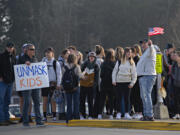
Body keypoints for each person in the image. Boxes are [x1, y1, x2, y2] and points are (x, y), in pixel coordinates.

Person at [18, 43, 44, 127]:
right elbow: (17, 69)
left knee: (37, 102)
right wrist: (24, 64)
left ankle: (39, 121)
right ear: (26, 50)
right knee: (27, 102)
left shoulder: (35, 59)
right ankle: (25, 121)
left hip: (35, 84)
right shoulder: (21, 59)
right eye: (31, 49)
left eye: (34, 49)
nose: (33, 51)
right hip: (26, 85)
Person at [112, 47, 137, 120]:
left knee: (127, 99)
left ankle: (127, 113)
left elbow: (134, 74)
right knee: (118, 98)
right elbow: (114, 71)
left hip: (127, 83)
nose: (129, 53)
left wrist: (132, 83)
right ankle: (118, 113)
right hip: (119, 82)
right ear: (125, 53)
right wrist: (113, 80)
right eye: (128, 52)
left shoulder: (132, 63)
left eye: (130, 52)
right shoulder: (119, 61)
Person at [136, 39, 157, 121]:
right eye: (142, 44)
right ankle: (146, 114)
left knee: (146, 95)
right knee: (143, 96)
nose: (143, 45)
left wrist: (151, 45)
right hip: (143, 76)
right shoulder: (145, 53)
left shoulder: (151, 50)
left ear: (148, 44)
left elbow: (152, 50)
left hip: (148, 76)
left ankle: (150, 115)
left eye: (144, 43)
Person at [62, 54, 84, 122]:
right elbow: (80, 76)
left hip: (67, 88)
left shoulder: (64, 67)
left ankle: (68, 118)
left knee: (68, 103)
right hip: (76, 87)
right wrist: (84, 75)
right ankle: (76, 117)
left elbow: (62, 77)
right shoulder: (77, 66)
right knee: (76, 103)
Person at [41, 47, 62, 122]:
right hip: (44, 83)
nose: (47, 54)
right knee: (45, 101)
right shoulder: (42, 61)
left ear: (52, 53)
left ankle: (54, 116)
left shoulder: (56, 62)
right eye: (46, 52)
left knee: (53, 101)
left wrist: (58, 84)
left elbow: (59, 74)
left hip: (53, 84)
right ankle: (44, 116)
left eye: (49, 52)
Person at [0, 42, 16, 126]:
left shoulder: (13, 57)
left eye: (11, 47)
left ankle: (7, 119)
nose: (10, 48)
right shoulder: (1, 56)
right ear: (6, 47)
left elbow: (15, 69)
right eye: (9, 47)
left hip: (10, 82)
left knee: (7, 101)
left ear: (13, 48)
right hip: (2, 82)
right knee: (1, 101)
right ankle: (1, 120)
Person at [80, 52, 99, 120]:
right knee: (82, 101)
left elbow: (96, 78)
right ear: (88, 57)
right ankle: (83, 115)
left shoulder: (96, 66)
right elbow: (80, 74)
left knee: (90, 102)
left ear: (95, 58)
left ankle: (90, 115)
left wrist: (94, 85)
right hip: (83, 85)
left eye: (93, 57)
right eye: (90, 56)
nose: (91, 58)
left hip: (91, 87)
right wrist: (82, 76)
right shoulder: (84, 64)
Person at [16, 44, 33, 123]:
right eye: (24, 48)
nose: (25, 49)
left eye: (27, 48)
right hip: (21, 81)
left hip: (30, 81)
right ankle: (22, 115)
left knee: (29, 100)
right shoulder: (18, 57)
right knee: (22, 99)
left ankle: (29, 115)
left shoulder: (32, 57)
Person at [98, 49, 116, 120]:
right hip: (111, 83)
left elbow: (101, 74)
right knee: (111, 99)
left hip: (104, 83)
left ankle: (99, 114)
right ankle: (111, 114)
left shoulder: (103, 63)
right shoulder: (113, 63)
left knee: (102, 99)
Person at [130, 46, 143, 119]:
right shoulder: (131, 60)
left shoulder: (137, 59)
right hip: (133, 80)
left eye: (131, 52)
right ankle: (136, 111)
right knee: (133, 97)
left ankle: (140, 112)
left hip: (137, 80)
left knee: (138, 97)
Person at [57, 49, 70, 120]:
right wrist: (60, 83)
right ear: (63, 54)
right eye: (67, 53)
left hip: (64, 82)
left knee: (64, 99)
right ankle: (61, 114)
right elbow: (60, 73)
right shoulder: (60, 62)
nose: (68, 55)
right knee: (61, 99)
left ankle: (63, 113)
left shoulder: (65, 61)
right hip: (62, 82)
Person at [171, 48, 180, 119]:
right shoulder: (174, 64)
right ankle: (177, 113)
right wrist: (175, 78)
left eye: (176, 55)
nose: (175, 56)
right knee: (176, 99)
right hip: (175, 84)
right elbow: (172, 73)